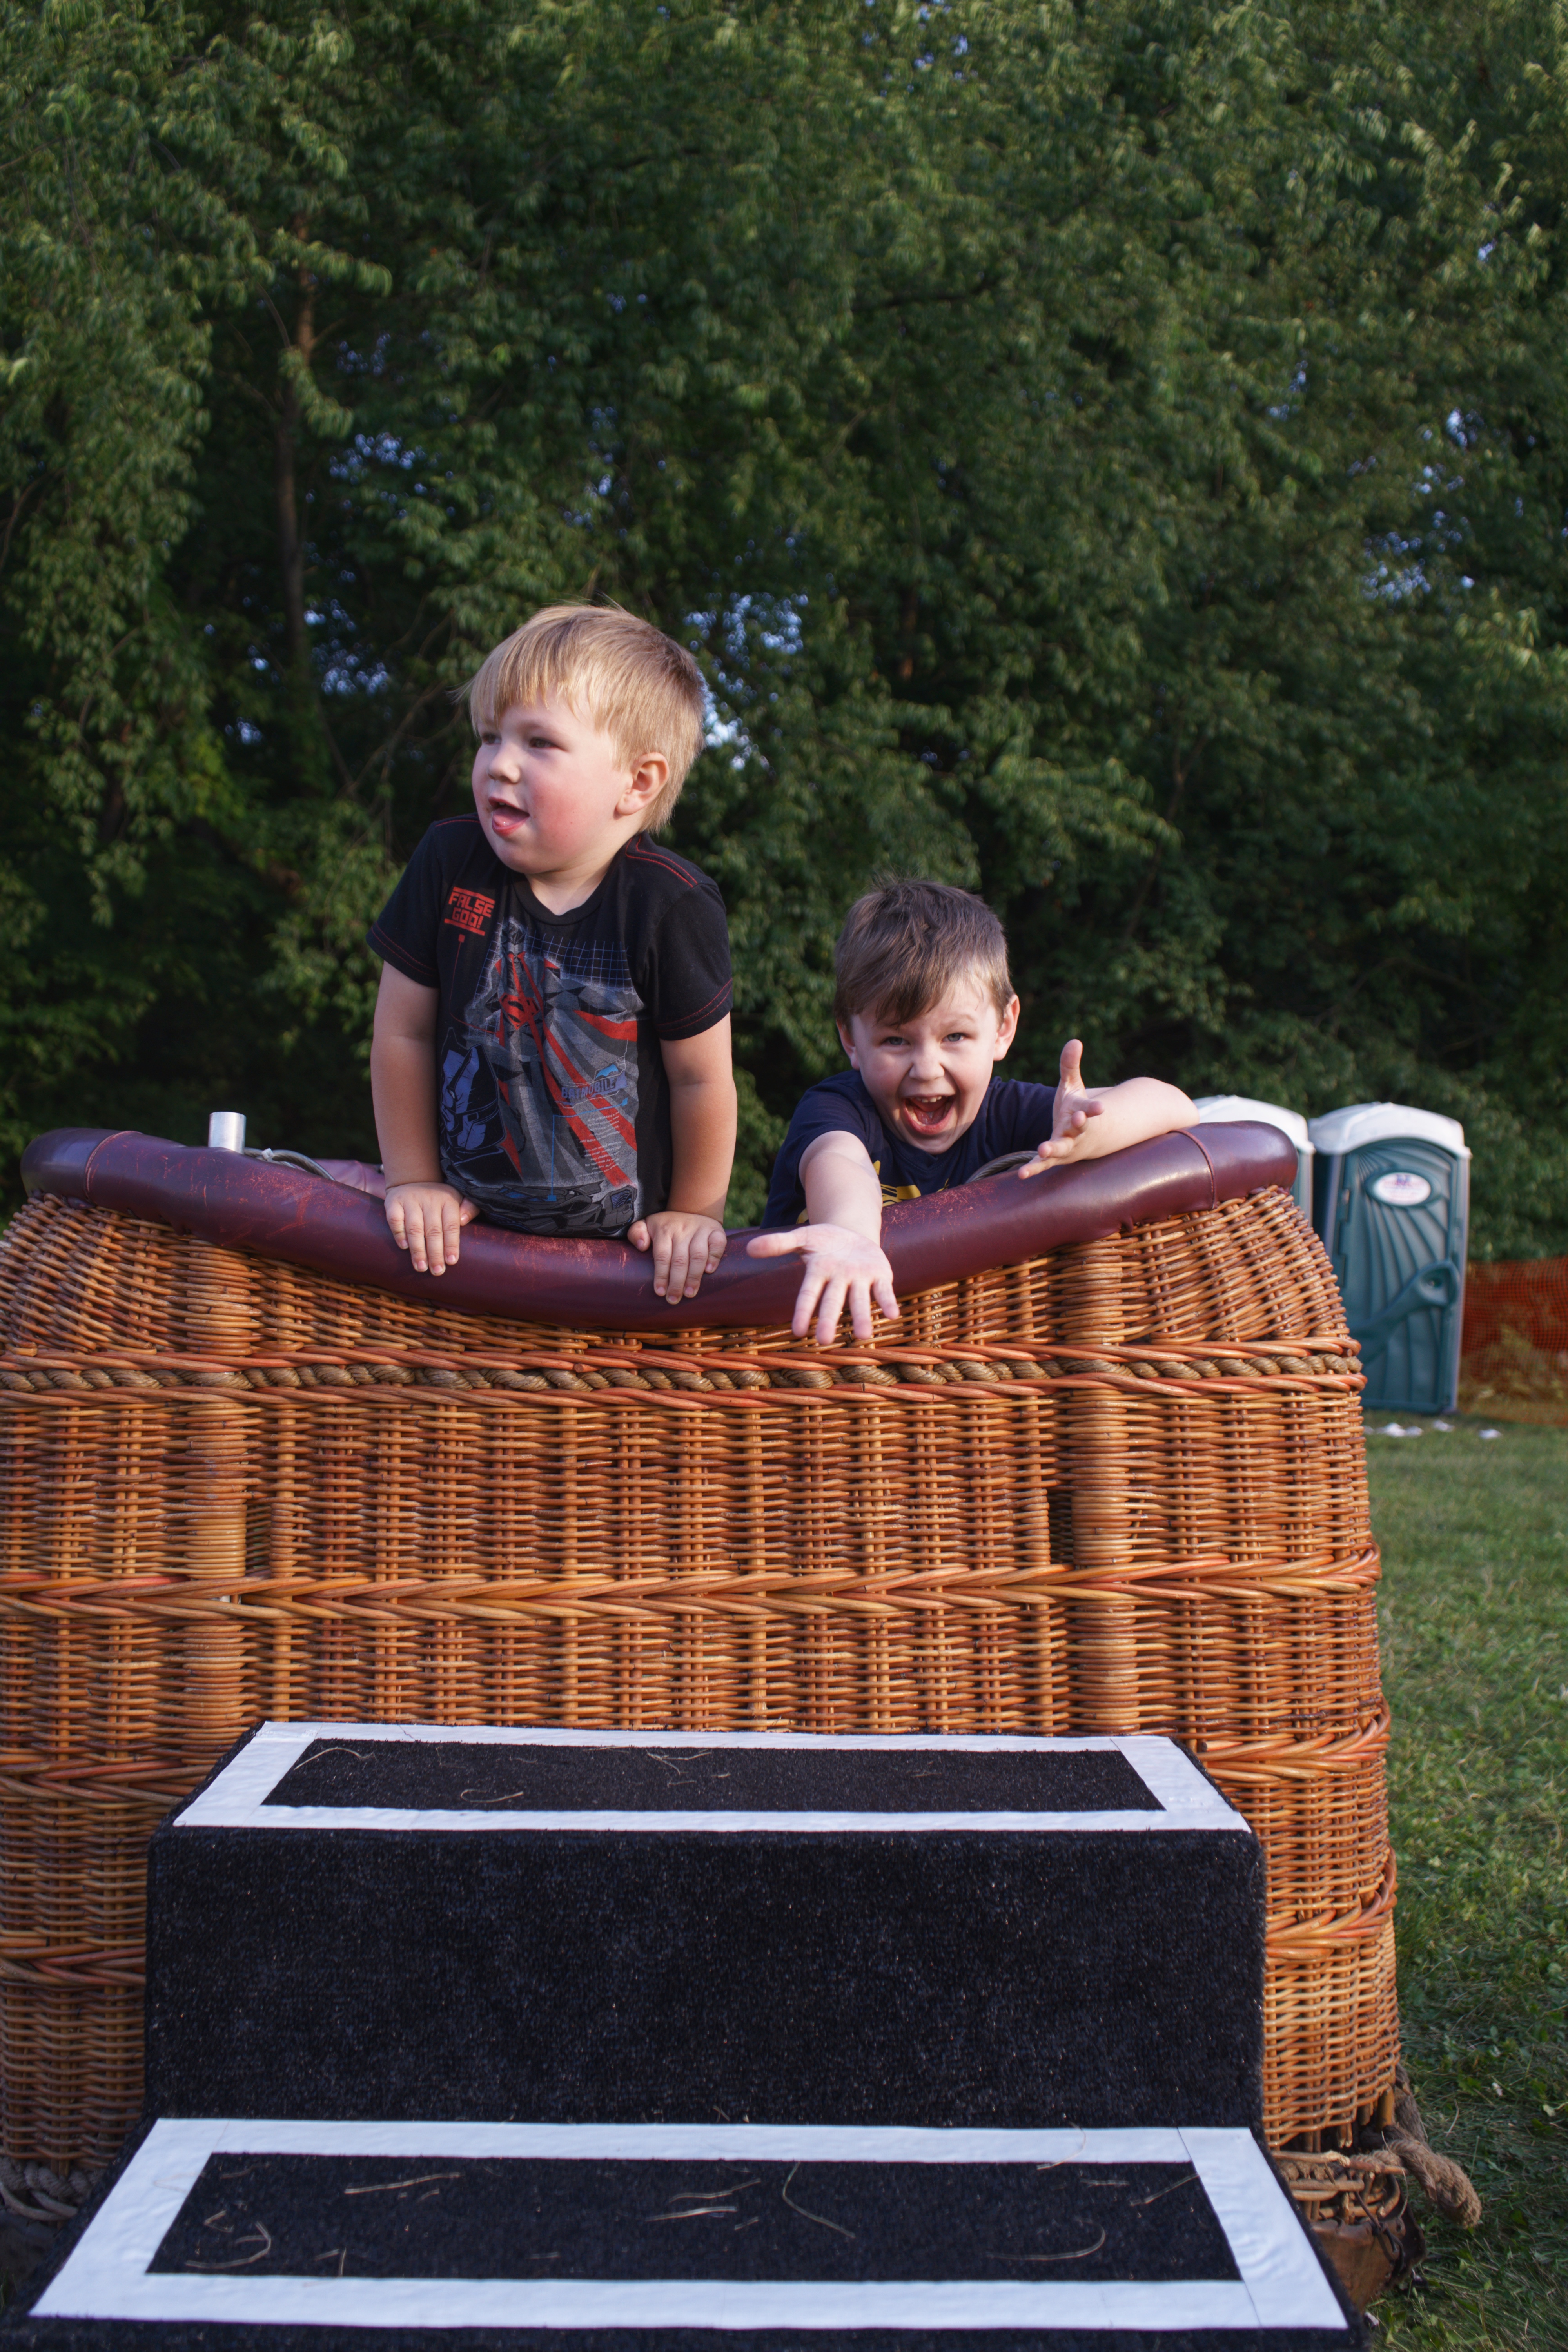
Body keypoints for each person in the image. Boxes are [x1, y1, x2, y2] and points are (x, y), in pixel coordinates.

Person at [367, 605, 737, 1303]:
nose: (499, 764)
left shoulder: (670, 905)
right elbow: (403, 1031)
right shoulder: (449, 862)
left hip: (620, 1266)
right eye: (489, 737)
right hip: (463, 1245)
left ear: (638, 783)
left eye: (539, 743)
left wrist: (694, 1215)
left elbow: (702, 1082)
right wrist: (413, 1180)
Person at [750, 880, 1196, 1342]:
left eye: (954, 1037)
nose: (926, 1069)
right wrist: (850, 1237)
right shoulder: (837, 1108)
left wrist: (1089, 1133)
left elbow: (1175, 1104)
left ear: (1003, 1027)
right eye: (896, 1040)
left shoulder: (1010, 1112)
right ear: (850, 1039)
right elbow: (839, 1163)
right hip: (817, 1350)